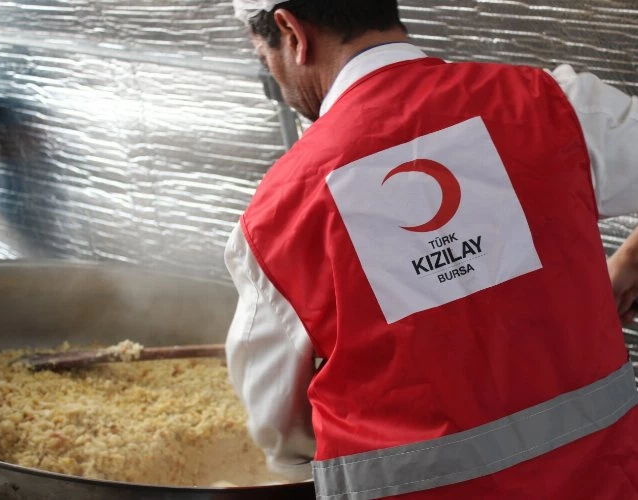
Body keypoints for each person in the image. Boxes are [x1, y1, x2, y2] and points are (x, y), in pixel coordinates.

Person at [224, 0, 638, 498]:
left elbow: (276, 425)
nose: (273, 76)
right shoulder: (551, 104)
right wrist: (632, 261)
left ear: (291, 32)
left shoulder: (277, 217)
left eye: (263, 56)